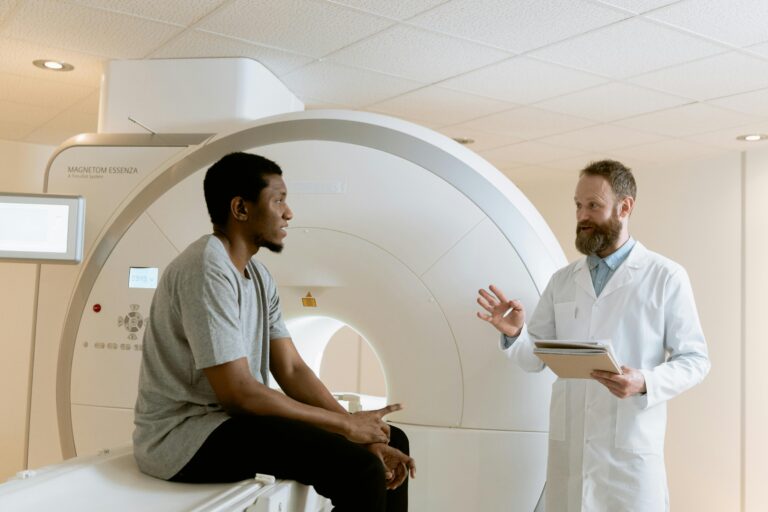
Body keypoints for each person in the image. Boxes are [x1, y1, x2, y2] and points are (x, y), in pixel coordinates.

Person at [133, 152, 415, 512]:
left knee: (393, 441)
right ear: (240, 208)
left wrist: (355, 428)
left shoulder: (260, 277)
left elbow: (292, 368)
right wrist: (345, 428)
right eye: (278, 200)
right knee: (358, 467)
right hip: (184, 436)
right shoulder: (206, 269)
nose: (288, 212)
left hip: (231, 424)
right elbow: (238, 393)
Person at [476, 159, 709, 511]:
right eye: (578, 205)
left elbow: (695, 360)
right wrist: (516, 334)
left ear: (624, 207)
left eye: (594, 206)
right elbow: (535, 359)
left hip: (628, 455)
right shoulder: (563, 280)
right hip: (571, 454)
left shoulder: (665, 276)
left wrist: (644, 381)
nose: (582, 215)